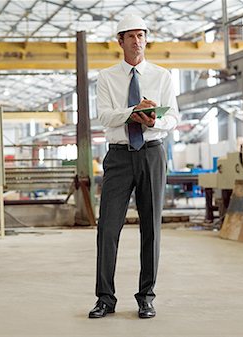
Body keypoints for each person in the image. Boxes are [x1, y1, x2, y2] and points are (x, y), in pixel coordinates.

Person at [88, 14, 180, 319]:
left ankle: (146, 297)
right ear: (120, 41)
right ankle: (105, 298)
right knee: (107, 227)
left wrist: (154, 119)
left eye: (141, 35)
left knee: (151, 227)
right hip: (118, 157)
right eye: (131, 36)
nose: (137, 41)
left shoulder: (162, 75)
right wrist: (133, 112)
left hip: (152, 153)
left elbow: (173, 118)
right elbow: (104, 117)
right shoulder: (106, 77)